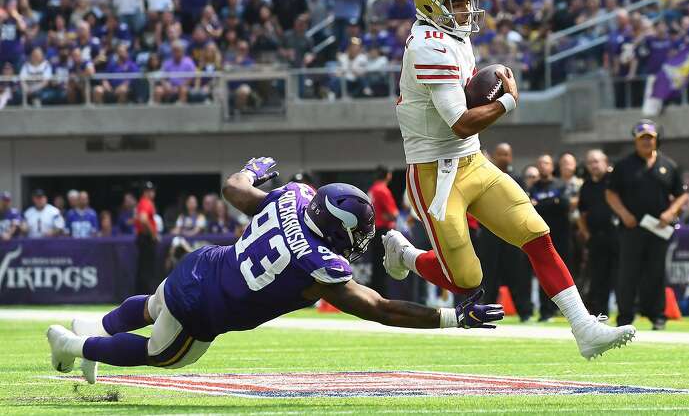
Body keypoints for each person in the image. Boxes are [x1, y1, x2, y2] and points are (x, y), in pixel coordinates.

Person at [46, 157, 504, 384]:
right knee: (162, 355)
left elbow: (234, 188)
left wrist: (253, 167)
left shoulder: (295, 196)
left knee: (150, 305)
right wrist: (452, 316)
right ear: (339, 229)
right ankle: (78, 344)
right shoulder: (319, 263)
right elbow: (379, 308)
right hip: (208, 308)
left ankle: (95, 328)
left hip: (202, 263)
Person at [382, 0, 635, 360]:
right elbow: (461, 123)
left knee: (537, 232)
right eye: (456, 3)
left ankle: (584, 328)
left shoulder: (453, 36)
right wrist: (508, 101)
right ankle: (405, 254)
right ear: (430, 7)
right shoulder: (427, 46)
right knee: (467, 279)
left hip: (473, 161)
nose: (466, 10)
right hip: (435, 172)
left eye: (467, 2)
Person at [606, 120, 688, 330]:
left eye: (650, 138)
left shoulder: (668, 165)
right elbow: (611, 193)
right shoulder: (624, 166)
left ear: (656, 140)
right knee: (628, 273)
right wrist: (624, 214)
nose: (646, 142)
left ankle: (657, 316)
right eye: (642, 139)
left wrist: (671, 212)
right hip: (631, 228)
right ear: (635, 141)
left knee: (656, 273)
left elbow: (681, 195)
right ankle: (625, 317)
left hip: (658, 229)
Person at [478, 144, 533, 322]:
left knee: (517, 274)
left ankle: (525, 312)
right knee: (489, 274)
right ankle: (487, 312)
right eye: (500, 154)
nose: (503, 157)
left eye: (506, 154)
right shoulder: (484, 176)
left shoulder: (517, 177)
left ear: (511, 157)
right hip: (489, 232)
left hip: (512, 233)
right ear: (494, 155)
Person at [530, 154, 571, 322]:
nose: (542, 166)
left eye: (546, 163)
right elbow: (529, 208)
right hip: (540, 237)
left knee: (564, 273)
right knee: (543, 273)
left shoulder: (561, 184)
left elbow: (564, 204)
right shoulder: (533, 187)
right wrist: (552, 202)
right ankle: (545, 312)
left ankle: (564, 310)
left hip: (561, 236)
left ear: (551, 166)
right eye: (539, 163)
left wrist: (541, 205)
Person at [578, 150, 616, 317]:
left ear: (606, 162)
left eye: (597, 161)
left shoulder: (614, 182)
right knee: (598, 278)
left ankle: (625, 314)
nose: (594, 165)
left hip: (617, 236)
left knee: (620, 276)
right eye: (590, 162)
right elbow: (582, 213)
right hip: (596, 238)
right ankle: (602, 314)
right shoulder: (586, 186)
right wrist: (586, 234)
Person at [368, 166, 399, 296]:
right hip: (384, 231)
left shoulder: (372, 189)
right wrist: (390, 216)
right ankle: (382, 296)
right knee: (384, 265)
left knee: (376, 265)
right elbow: (394, 214)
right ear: (388, 175)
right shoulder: (383, 190)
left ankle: (374, 294)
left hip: (374, 230)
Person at [135, 182, 158, 294]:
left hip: (143, 238)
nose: (151, 193)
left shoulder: (142, 202)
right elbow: (143, 219)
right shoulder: (146, 202)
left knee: (144, 268)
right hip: (146, 238)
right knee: (147, 269)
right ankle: (146, 294)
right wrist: (153, 233)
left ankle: (142, 294)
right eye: (149, 191)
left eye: (152, 190)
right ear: (145, 192)